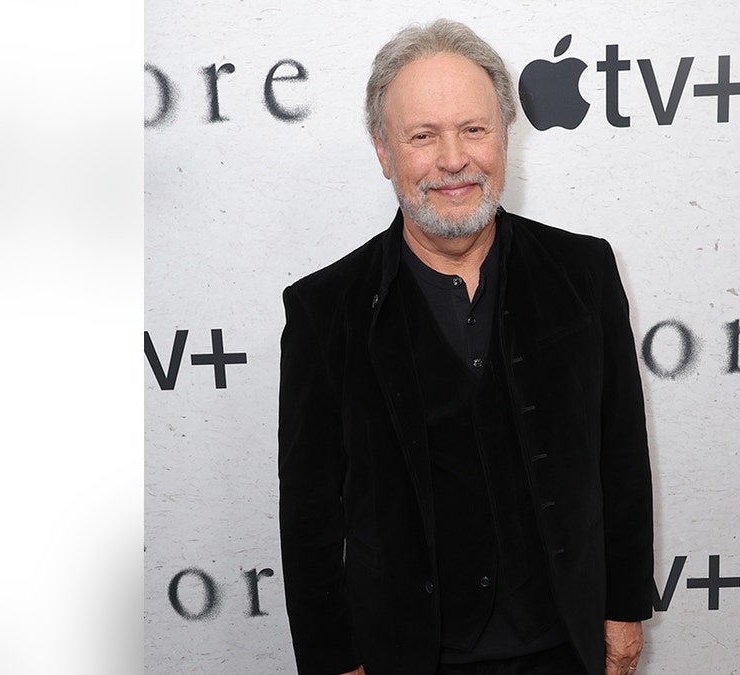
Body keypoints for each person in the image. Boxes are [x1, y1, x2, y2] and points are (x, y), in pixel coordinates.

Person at [278, 18, 654, 675]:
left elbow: (619, 456)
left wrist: (624, 607)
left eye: (474, 129)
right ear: (384, 150)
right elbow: (309, 514)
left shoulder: (584, 272)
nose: (453, 159)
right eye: (423, 136)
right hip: (404, 658)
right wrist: (334, 660)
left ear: (505, 136)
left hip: (564, 647)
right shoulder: (324, 310)